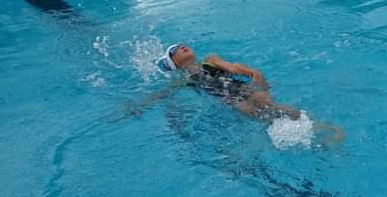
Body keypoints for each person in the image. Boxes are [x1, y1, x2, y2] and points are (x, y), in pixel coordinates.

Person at [144, 44, 344, 143]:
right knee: (266, 119)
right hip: (232, 101)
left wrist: (250, 72)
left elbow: (232, 67)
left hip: (245, 89)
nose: (181, 47)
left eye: (180, 45)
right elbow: (162, 94)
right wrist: (139, 106)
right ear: (175, 65)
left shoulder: (210, 60)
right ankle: (308, 137)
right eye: (174, 51)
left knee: (275, 108)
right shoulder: (184, 80)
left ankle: (323, 127)